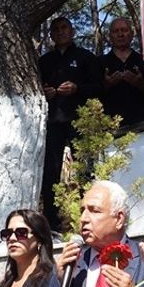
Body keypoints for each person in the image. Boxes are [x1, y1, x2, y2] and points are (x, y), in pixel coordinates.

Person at [38, 16, 102, 228]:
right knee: (51, 172)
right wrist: (44, 92)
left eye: (64, 28)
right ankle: (52, 222)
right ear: (51, 35)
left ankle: (89, 215)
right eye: (55, 29)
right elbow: (34, 90)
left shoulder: (86, 57)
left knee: (85, 170)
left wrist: (77, 89)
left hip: (79, 121)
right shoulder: (44, 62)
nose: (60, 32)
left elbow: (99, 87)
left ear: (72, 31)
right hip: (53, 122)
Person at [98, 17, 144, 130]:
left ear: (131, 34)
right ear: (110, 36)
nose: (120, 34)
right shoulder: (100, 62)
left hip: (142, 122)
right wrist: (107, 84)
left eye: (124, 30)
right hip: (110, 125)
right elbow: (92, 94)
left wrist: (139, 83)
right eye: (116, 31)